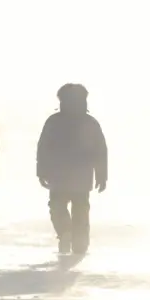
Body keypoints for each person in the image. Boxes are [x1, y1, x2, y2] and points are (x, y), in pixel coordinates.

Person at [36, 83, 108, 256]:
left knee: (57, 206)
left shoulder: (54, 121)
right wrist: (101, 175)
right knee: (81, 208)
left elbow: (43, 147)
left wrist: (42, 170)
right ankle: (80, 244)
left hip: (58, 174)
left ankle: (65, 232)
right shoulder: (90, 122)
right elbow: (100, 150)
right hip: (82, 175)